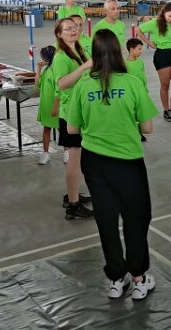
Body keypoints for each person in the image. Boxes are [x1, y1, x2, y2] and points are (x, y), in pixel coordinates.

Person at [66, 30, 159, 300]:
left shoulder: (83, 85)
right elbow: (148, 128)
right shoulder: (131, 83)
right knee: (136, 217)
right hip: (128, 162)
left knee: (106, 219)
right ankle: (139, 277)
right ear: (119, 52)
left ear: (93, 55)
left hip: (94, 162)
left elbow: (72, 128)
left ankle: (117, 278)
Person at [51, 18, 95, 220]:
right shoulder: (61, 57)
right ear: (59, 34)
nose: (73, 30)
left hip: (81, 110)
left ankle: (72, 194)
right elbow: (61, 84)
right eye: (67, 28)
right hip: (70, 114)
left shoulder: (79, 50)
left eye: (75, 27)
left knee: (78, 159)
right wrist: (83, 67)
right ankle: (73, 205)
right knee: (74, 160)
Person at [136, 3, 171, 122]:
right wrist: (149, 43)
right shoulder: (155, 22)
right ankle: (166, 110)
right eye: (169, 16)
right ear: (164, 13)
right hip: (162, 55)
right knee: (165, 85)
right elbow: (138, 30)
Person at [35, 45, 59, 165]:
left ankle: (67, 152)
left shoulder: (56, 70)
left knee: (62, 129)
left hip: (55, 107)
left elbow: (59, 91)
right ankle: (45, 153)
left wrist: (55, 107)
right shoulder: (46, 70)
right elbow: (37, 83)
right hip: (46, 106)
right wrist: (39, 69)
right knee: (46, 129)